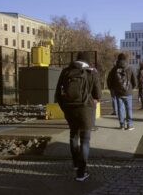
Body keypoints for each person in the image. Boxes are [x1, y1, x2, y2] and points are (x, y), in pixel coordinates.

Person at [55, 51, 101, 182]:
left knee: (73, 135)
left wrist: (65, 108)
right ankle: (82, 172)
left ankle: (76, 164)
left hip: (69, 109)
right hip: (86, 109)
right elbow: (98, 94)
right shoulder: (92, 72)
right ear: (88, 61)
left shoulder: (66, 71)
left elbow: (58, 93)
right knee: (85, 140)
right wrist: (94, 102)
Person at [107, 53, 136, 130]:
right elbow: (134, 81)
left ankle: (121, 125)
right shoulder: (130, 68)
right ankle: (129, 125)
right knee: (129, 108)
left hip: (118, 92)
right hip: (128, 92)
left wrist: (112, 88)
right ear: (126, 59)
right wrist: (131, 87)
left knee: (120, 108)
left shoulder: (114, 69)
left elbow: (109, 80)